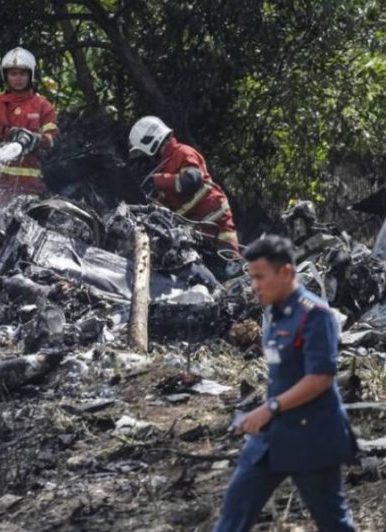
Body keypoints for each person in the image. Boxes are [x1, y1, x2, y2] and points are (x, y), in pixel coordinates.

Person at [214, 235, 357, 531]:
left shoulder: (315, 315)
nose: (254, 286)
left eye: (260, 277)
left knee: (333, 522)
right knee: (234, 512)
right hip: (272, 436)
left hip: (313, 436)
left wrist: (268, 408)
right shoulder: (275, 314)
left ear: (286, 273)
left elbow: (320, 378)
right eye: (251, 277)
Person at [128, 116, 239, 254]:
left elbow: (192, 180)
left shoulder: (182, 152)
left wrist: (157, 181)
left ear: (150, 142)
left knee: (229, 263)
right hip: (195, 228)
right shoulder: (165, 166)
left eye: (142, 152)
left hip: (214, 220)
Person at [0, 46, 58, 204]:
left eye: (22, 73)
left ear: (31, 74)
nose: (18, 78)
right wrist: (9, 133)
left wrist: (34, 139)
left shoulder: (43, 105)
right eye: (13, 73)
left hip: (30, 188)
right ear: (5, 75)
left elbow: (53, 140)